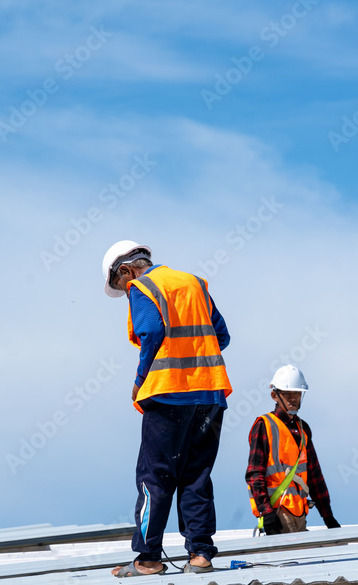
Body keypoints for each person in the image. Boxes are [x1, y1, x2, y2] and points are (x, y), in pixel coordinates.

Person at [102, 240, 233, 577]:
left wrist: (140, 380)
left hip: (167, 395)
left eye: (121, 284)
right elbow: (221, 335)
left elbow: (153, 333)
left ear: (127, 270)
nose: (125, 291)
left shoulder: (142, 286)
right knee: (197, 475)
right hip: (210, 394)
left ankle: (147, 559)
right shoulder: (194, 283)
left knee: (155, 476)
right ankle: (200, 555)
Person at [246, 365, 341, 534]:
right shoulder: (264, 425)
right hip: (277, 511)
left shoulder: (303, 429)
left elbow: (314, 475)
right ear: (275, 395)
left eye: (297, 393)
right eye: (287, 394)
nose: (293, 398)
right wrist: (266, 512)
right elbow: (254, 474)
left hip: (300, 513)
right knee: (285, 560)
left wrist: (328, 516)